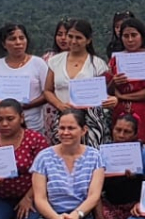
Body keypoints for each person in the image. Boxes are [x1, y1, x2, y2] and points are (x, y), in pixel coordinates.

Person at [43, 19, 117, 147]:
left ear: (88, 40)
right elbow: (47, 90)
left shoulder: (98, 65)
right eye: (70, 36)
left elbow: (105, 93)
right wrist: (59, 105)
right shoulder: (55, 61)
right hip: (63, 118)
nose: (73, 41)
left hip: (91, 121)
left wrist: (113, 100)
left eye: (78, 37)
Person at [94, 114, 143, 219]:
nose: (121, 135)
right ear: (112, 129)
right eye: (118, 130)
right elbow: (96, 190)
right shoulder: (103, 153)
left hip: (133, 206)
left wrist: (137, 176)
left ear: (135, 134)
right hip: (110, 205)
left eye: (127, 132)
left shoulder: (142, 152)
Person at [0, 23, 49, 135]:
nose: (18, 42)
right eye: (12, 39)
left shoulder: (38, 63)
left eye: (21, 38)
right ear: (4, 44)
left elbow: (47, 93)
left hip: (32, 123)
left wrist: (25, 106)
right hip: (2, 126)